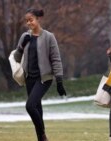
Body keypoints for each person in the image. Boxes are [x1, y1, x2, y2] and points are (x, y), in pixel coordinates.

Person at [14, 8, 66, 141]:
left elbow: (56, 59)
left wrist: (59, 81)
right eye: (26, 21)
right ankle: (41, 138)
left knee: (30, 106)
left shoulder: (49, 37)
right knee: (37, 108)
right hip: (29, 78)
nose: (28, 23)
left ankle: (42, 135)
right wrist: (21, 46)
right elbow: (16, 58)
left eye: (31, 20)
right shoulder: (25, 36)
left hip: (44, 78)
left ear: (38, 19)